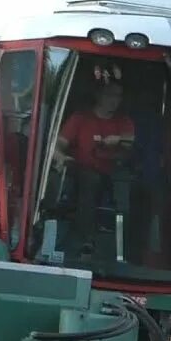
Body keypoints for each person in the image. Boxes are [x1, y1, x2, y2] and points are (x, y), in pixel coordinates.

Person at [51, 81, 135, 255]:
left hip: (114, 178)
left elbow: (132, 143)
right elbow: (57, 144)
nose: (114, 100)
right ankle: (79, 240)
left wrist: (118, 140)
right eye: (110, 94)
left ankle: (125, 250)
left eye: (118, 96)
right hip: (79, 173)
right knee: (84, 179)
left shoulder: (124, 122)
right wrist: (61, 157)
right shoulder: (80, 118)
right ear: (98, 95)